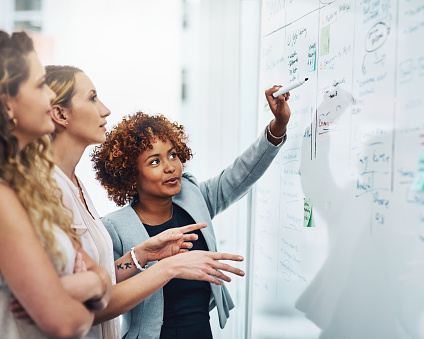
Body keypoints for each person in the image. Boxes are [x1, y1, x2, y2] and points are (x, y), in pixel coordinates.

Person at [43, 65, 247, 338]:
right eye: (92, 98)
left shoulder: (76, 186)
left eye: (173, 155)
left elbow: (100, 280)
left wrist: (141, 256)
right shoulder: (47, 192)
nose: (105, 110)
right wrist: (168, 267)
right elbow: (79, 303)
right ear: (60, 114)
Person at [91, 85, 291, 338]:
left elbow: (241, 173)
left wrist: (278, 127)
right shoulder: (114, 227)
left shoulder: (193, 197)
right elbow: (107, 285)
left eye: (173, 155)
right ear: (130, 174)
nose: (170, 167)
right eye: (155, 161)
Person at [0, 31, 111, 338]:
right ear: (7, 105)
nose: (49, 96)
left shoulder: (26, 187)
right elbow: (64, 322)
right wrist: (89, 292)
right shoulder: (3, 197)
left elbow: (100, 275)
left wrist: (92, 283)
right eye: (38, 86)